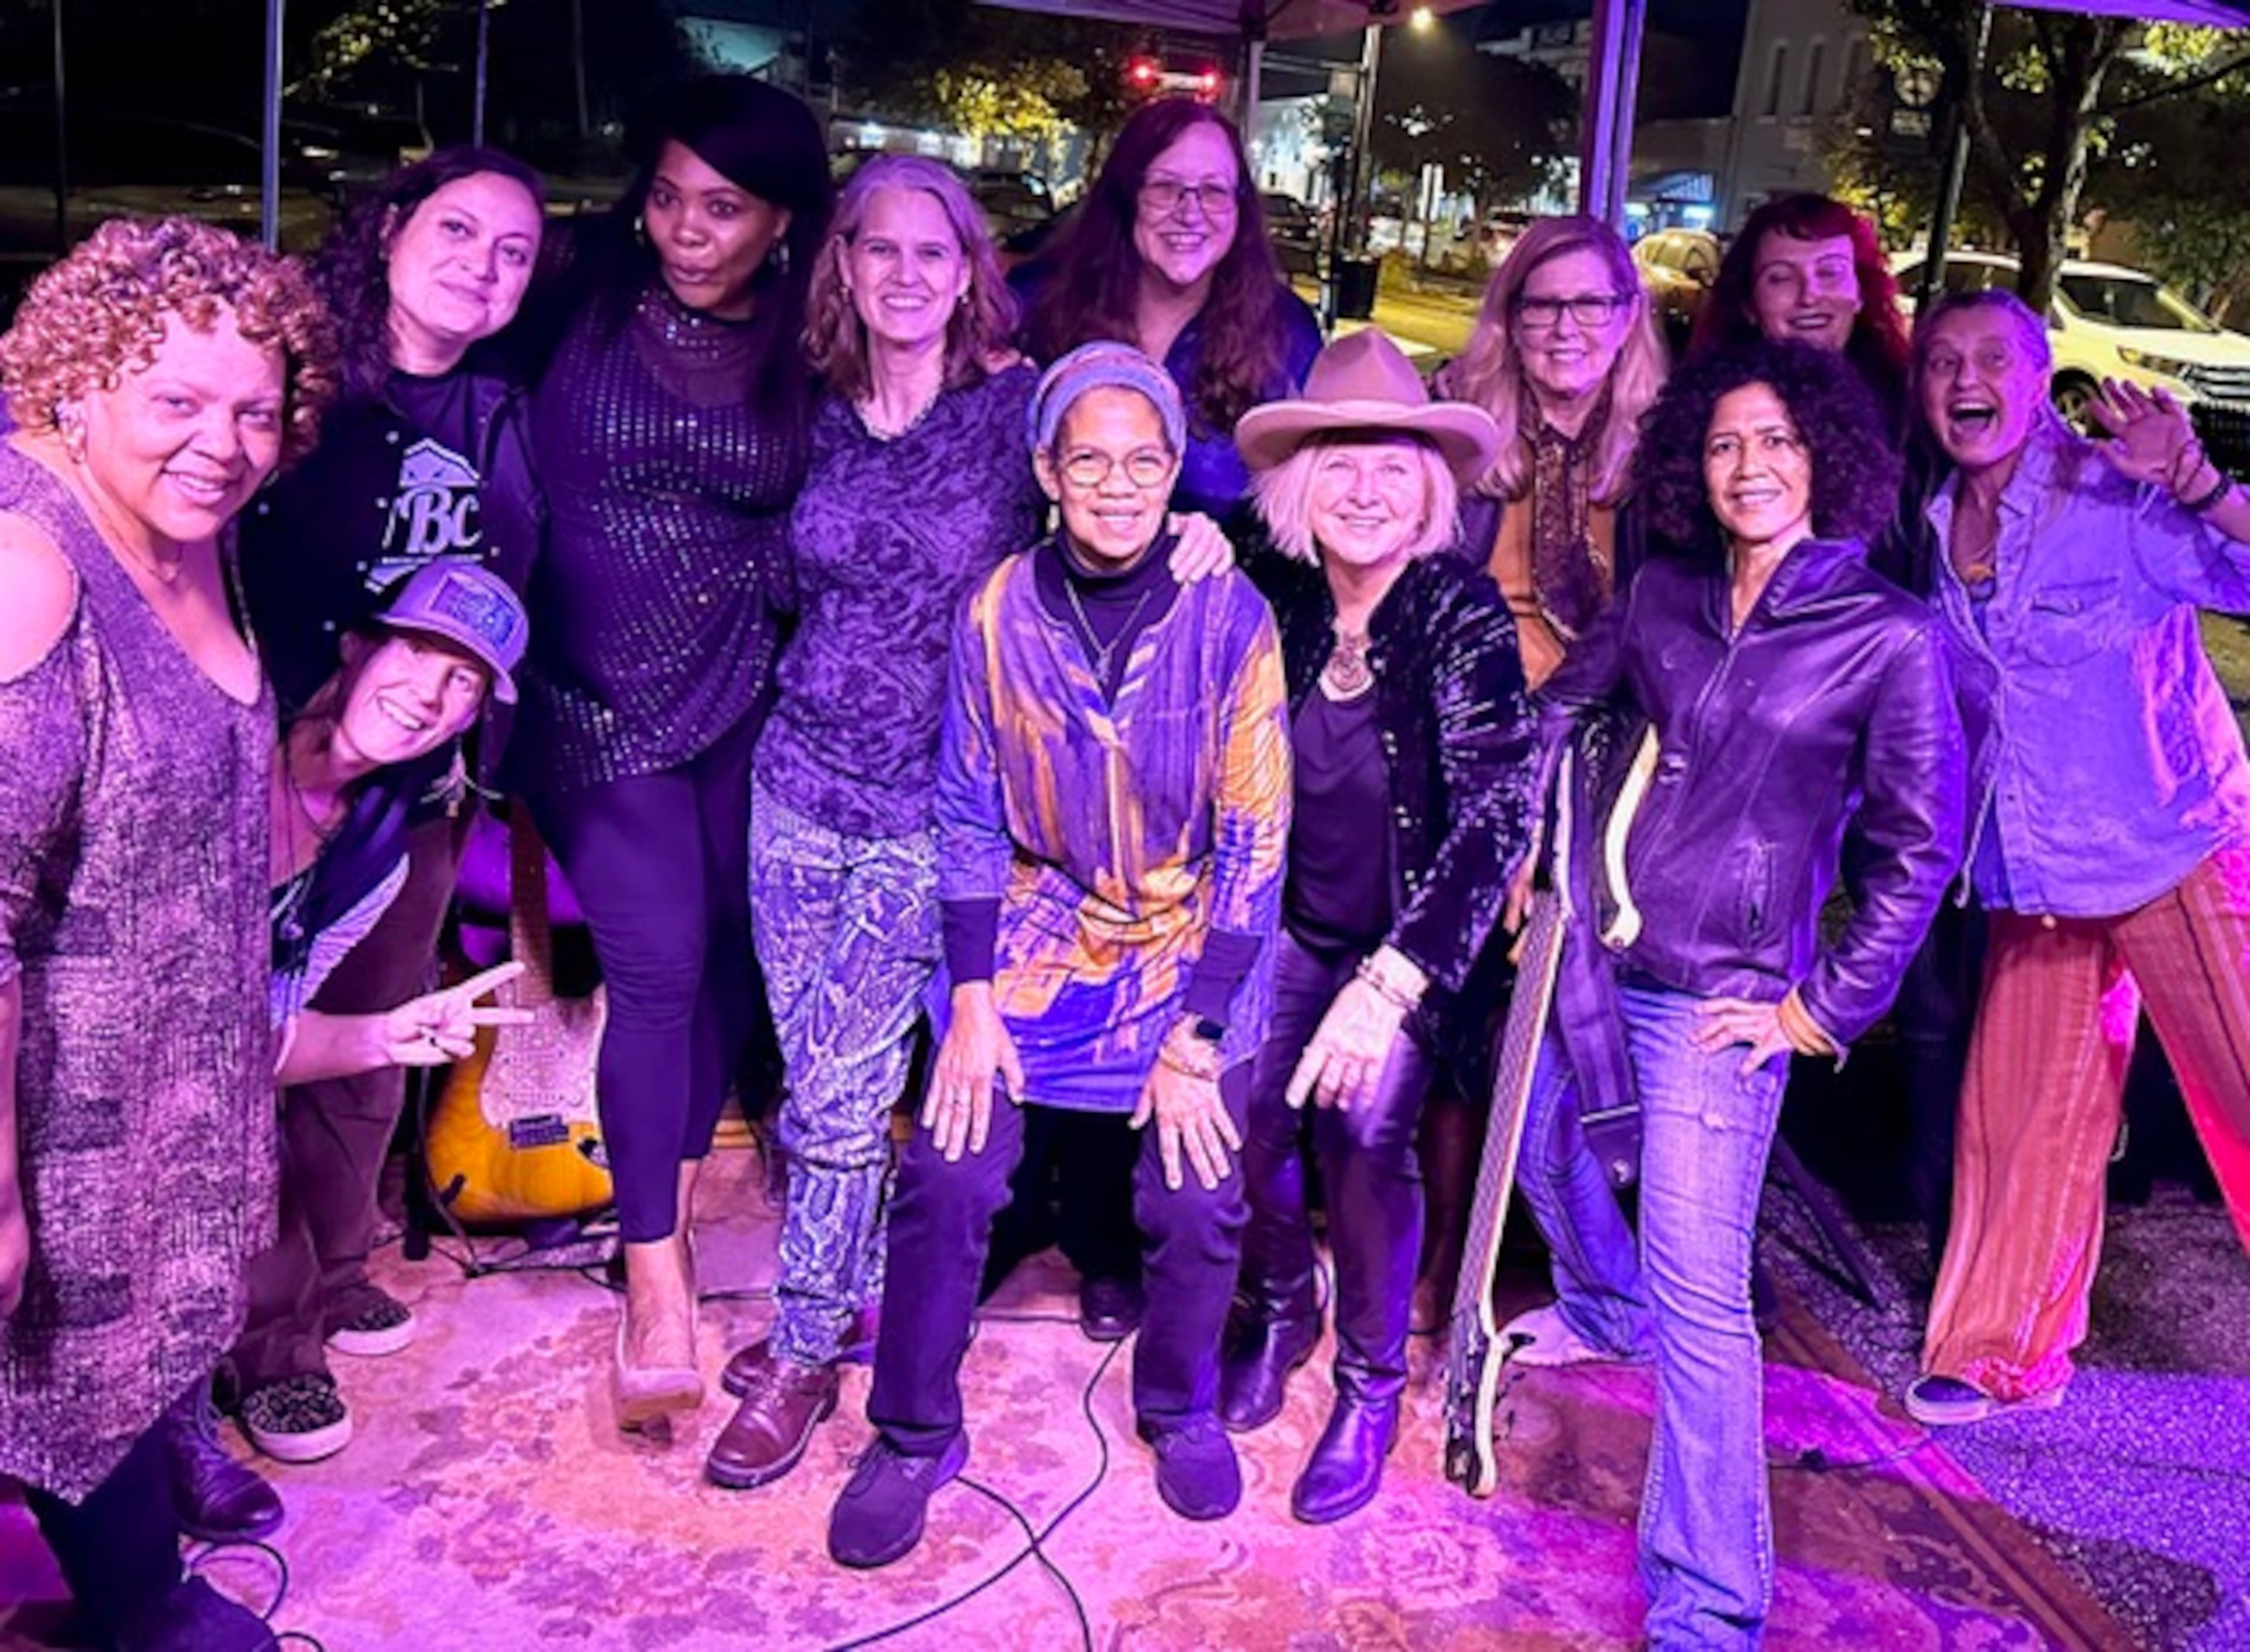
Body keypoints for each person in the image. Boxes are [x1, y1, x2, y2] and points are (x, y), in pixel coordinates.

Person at [704, 156, 1236, 1491]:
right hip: (793, 789)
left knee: (841, 1086)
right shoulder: (812, 413)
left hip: (931, 809)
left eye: (929, 253)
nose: (901, 274)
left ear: (966, 271)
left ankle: (805, 1342)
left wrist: (1201, 537)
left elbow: (1116, 485)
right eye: (875, 250)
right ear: (841, 264)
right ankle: (828, 1286)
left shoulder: (1011, 416)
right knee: (811, 1075)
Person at [1508, 338, 1963, 1648]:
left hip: (1726, 998)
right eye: (1723, 444)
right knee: (1541, 1157)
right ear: (1689, 467)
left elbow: (1917, 845)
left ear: (1826, 457)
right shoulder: (1659, 596)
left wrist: (1822, 1010)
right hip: (1593, 959)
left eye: (1776, 441)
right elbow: (1560, 713)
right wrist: (1534, 853)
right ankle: (1603, 1310)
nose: (1749, 466)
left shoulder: (1887, 636)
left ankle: (1708, 1606)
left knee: (1700, 1293)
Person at [824, 344, 1290, 1569]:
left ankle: (1179, 1403)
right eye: (1091, 459)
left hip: (1189, 941)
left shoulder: (1232, 617)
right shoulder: (994, 610)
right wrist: (969, 1001)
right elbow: (969, 814)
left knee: (1198, 1196)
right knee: (950, 1171)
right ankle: (914, 1432)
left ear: (1176, 469)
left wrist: (1199, 1038)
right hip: (1032, 939)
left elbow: (1254, 842)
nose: (1121, 485)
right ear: (1047, 469)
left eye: (1147, 461)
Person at [0, 217, 338, 1650]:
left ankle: (145, 1535)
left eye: (256, 409)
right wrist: (0, 1194)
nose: (226, 441)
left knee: (125, 1372)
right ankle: (139, 1616)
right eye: (180, 402)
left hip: (159, 1083)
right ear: (75, 385)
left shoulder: (196, 530)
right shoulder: (32, 563)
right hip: (52, 1110)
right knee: (57, 1385)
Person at [512, 76, 830, 1433]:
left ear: (780, 223)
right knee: (654, 960)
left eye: (724, 208)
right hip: (586, 699)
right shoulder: (574, 293)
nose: (688, 230)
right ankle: (653, 1273)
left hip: (740, 689)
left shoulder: (806, 344)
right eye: (668, 198)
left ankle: (682, 1179)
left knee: (727, 955)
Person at [227, 145, 546, 1474]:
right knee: (239, 1043)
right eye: (459, 228)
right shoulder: (298, 378)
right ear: (393, 224)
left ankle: (343, 1257)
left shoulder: (509, 406)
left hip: (417, 773)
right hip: (267, 761)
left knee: (376, 1037)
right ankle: (269, 1336)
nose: (482, 262)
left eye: (515, 249)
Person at [1904, 291, 2250, 1428]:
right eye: (1942, 358)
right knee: (2018, 1118)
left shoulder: (2115, 498)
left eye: (1993, 357)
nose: (1967, 377)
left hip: (2173, 836)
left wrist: (2199, 485)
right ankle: (1998, 1350)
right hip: (2037, 865)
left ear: (2038, 372)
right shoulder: (1935, 516)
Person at [1012, 95, 1320, 1343]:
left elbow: (1303, 523)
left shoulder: (1277, 333)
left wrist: (1220, 533)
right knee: (1051, 917)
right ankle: (1029, 1196)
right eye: (1169, 187)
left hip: (1203, 675)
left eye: (1217, 192)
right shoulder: (1044, 301)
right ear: (1125, 195)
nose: (1194, 212)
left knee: (1165, 934)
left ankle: (1114, 1241)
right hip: (1055, 658)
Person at [1225, 329, 1536, 1524]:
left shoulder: (1455, 610)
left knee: (1362, 1130)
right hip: (1293, 925)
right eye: (1342, 465)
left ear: (1431, 489)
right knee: (1238, 1114)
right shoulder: (1279, 590)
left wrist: (1394, 979)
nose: (1366, 491)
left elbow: (1502, 808)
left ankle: (1369, 1382)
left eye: (1396, 467)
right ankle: (1280, 1303)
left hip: (1409, 945)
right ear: (1301, 483)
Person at [1689, 195, 1972, 1248]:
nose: (1810, 298)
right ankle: (1737, 1224)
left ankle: (1946, 1241)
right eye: (1781, 276)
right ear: (1746, 296)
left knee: (1932, 991)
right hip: (1775, 748)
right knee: (1744, 988)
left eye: (1831, 274)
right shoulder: (1716, 419)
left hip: (1903, 721)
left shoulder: (1918, 410)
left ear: (1866, 287)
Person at [1437, 214, 1668, 688]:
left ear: (1627, 319)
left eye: (1590, 305)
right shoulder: (1455, 427)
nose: (1565, 329)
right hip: (1468, 694)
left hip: (1613, 704)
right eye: (1542, 306)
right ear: (1512, 322)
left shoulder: (1667, 442)